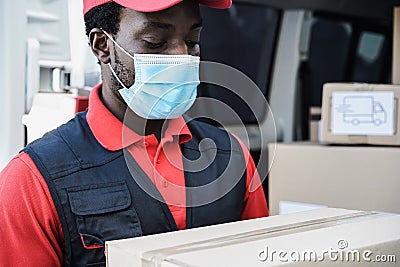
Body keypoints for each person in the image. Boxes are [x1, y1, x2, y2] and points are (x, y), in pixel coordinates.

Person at [0, 0, 269, 266]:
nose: (181, 56)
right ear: (102, 45)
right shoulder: (32, 180)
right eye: (155, 41)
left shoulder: (232, 156)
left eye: (192, 41)